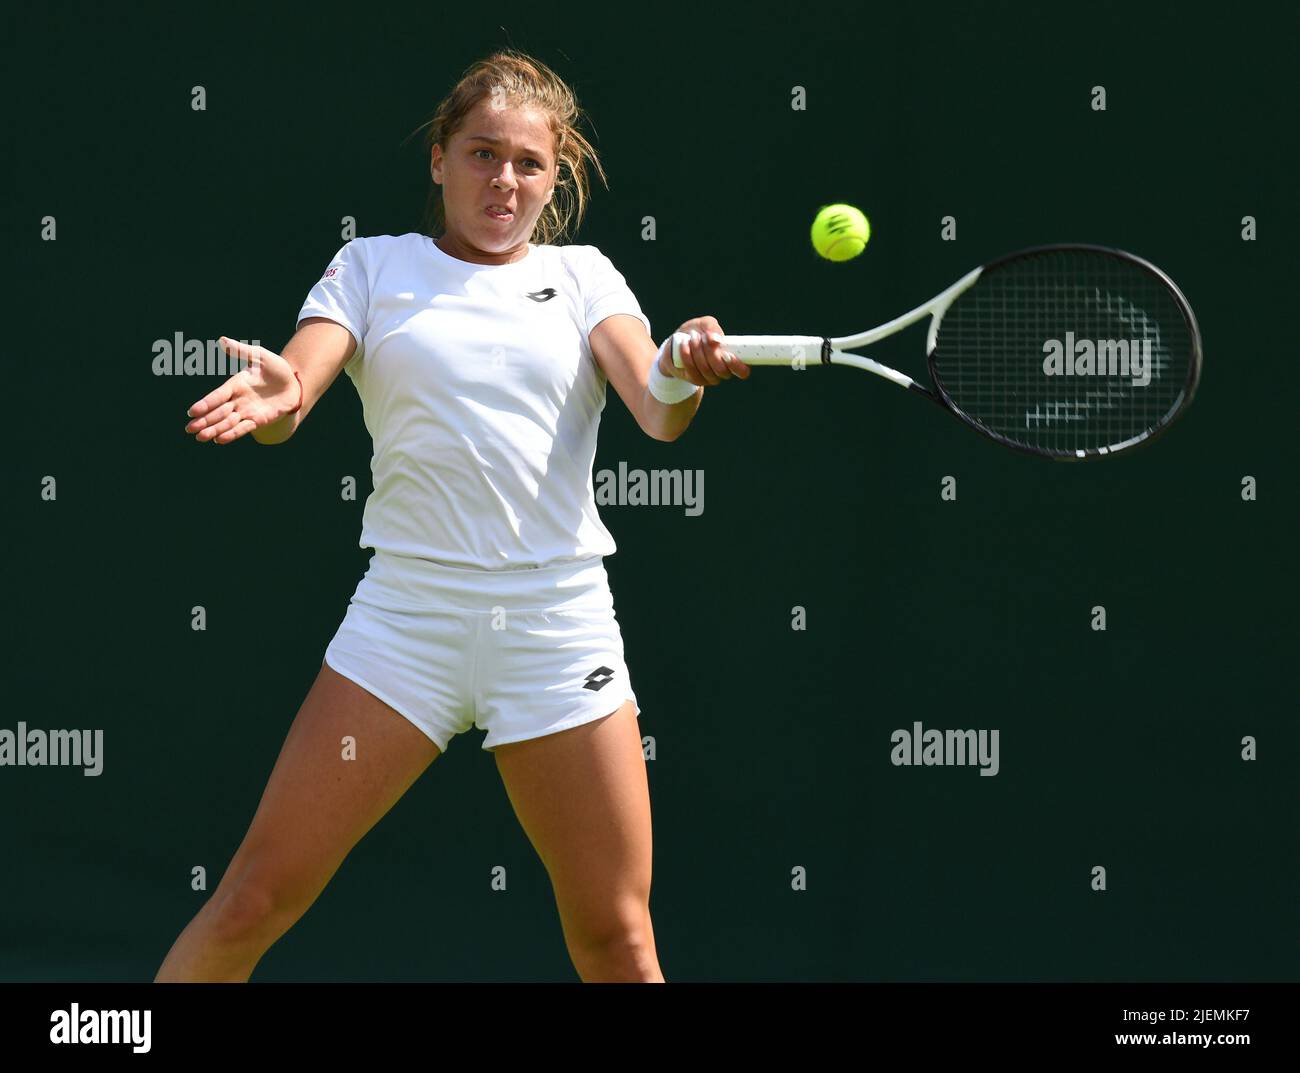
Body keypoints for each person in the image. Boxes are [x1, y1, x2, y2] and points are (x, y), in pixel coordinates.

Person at [157, 48, 749, 983]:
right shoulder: (371, 267)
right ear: (439, 158)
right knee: (254, 897)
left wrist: (685, 366)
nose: (504, 181)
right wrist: (278, 396)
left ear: (554, 178)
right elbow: (296, 390)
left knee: (619, 939)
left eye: (528, 163)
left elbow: (659, 409)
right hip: (406, 622)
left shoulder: (586, 276)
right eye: (481, 154)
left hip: (557, 628)